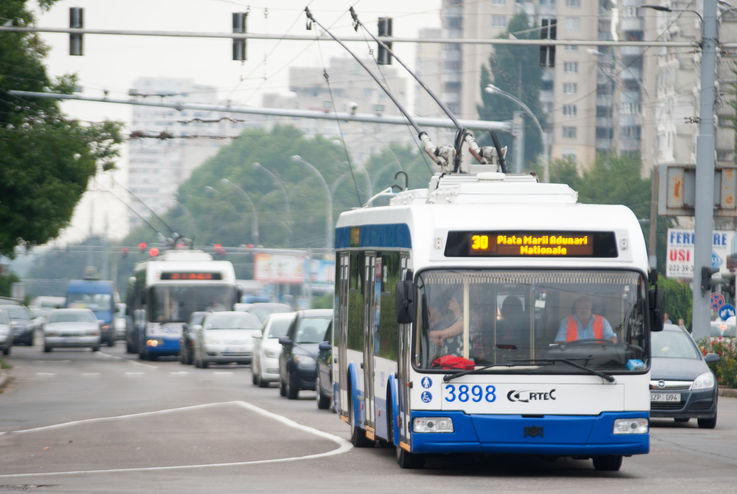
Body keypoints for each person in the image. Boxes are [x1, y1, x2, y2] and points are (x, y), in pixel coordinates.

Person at [429, 290, 464, 355]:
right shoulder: (453, 322)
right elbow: (443, 341)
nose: (449, 302)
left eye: (453, 301)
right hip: (451, 361)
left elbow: (446, 334)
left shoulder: (463, 321)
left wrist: (425, 333)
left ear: (461, 304)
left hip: (462, 362)